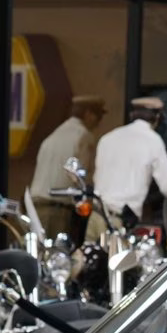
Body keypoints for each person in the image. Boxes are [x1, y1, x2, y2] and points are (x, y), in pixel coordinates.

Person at [92, 95, 167, 233]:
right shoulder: (153, 141)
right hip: (119, 220)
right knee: (118, 255)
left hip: (96, 215)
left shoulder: (108, 138)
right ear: (158, 117)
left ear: (132, 115)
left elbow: (97, 177)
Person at [31, 95, 105, 242]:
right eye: (98, 117)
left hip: (37, 205)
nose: (98, 123)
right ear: (88, 114)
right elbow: (81, 177)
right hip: (57, 208)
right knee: (58, 257)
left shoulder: (55, 135)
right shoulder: (83, 135)